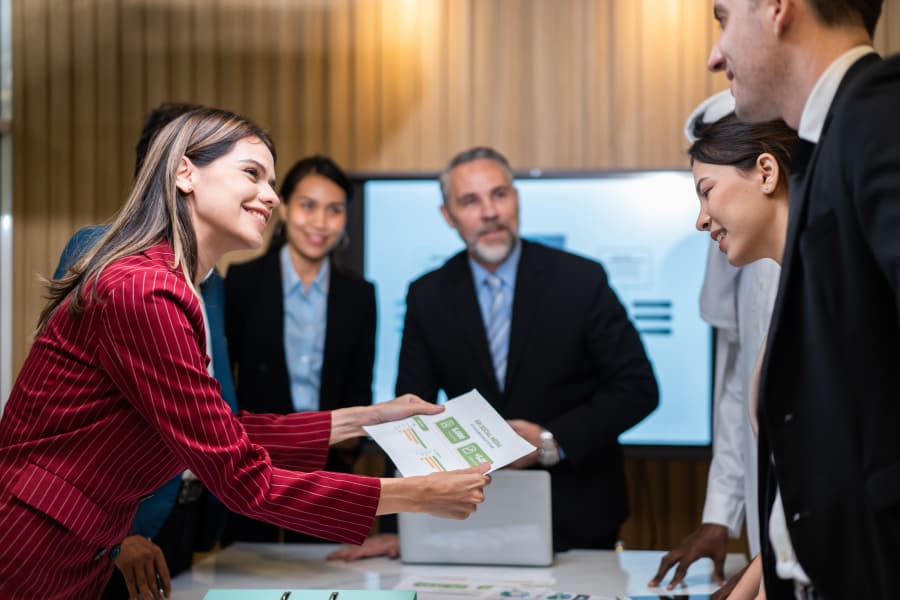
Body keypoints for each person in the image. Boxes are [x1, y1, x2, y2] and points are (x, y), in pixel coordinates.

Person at [0, 106, 491, 600]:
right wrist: (418, 495)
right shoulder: (143, 290)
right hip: (36, 537)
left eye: (272, 181)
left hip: (75, 537)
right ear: (184, 172)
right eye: (252, 173)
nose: (271, 196)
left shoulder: (173, 283)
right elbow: (239, 476)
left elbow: (221, 431)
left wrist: (372, 417)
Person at [708, 0, 898, 597]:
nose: (716, 55)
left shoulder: (879, 118)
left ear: (775, 9)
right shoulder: (831, 143)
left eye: (722, 18)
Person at [397, 146, 659, 551]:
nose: (490, 212)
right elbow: (409, 414)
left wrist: (552, 441)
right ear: (448, 216)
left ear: (516, 199)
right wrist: (392, 527)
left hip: (578, 516)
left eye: (500, 195)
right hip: (469, 519)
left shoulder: (580, 279)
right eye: (470, 201)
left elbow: (638, 388)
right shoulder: (427, 294)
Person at [52, 102, 239, 600]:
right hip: (122, 523)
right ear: (176, 172)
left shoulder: (210, 272)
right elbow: (72, 421)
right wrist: (113, 538)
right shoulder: (104, 252)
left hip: (189, 506)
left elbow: (212, 390)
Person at [649, 92, 782, 592]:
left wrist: (761, 577)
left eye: (709, 191)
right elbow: (735, 380)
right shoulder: (736, 242)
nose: (702, 220)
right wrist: (722, 515)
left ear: (766, 168)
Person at [223, 155, 375, 544]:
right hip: (250, 465)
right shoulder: (242, 284)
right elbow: (226, 381)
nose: (320, 223)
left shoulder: (360, 295)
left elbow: (360, 387)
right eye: (308, 206)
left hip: (329, 471)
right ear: (285, 208)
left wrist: (346, 454)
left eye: (334, 210)